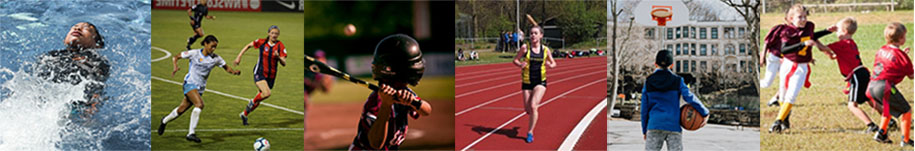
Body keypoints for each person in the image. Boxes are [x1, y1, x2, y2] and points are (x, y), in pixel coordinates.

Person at [348, 34, 432, 150]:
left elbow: (427, 111)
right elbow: (376, 144)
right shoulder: (376, 101)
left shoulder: (404, 92)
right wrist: (386, 105)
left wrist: (413, 102)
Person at [158, 35, 242, 143]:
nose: (213, 49)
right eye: (212, 46)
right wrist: (175, 66)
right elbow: (176, 56)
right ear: (206, 44)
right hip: (189, 84)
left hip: (200, 88)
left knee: (181, 110)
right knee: (200, 105)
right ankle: (191, 133)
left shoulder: (216, 58)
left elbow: (226, 67)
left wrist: (234, 72)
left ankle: (164, 121)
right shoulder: (194, 53)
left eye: (215, 47)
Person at [768, 4, 835, 133]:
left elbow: (811, 36)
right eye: (800, 17)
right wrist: (802, 44)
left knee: (792, 95)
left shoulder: (809, 26)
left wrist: (827, 31)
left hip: (802, 66)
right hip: (789, 64)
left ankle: (777, 122)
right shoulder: (787, 31)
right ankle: (784, 119)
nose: (804, 19)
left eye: (805, 16)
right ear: (791, 18)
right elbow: (784, 49)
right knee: (783, 96)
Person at [815, 17, 883, 133]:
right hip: (863, 73)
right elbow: (838, 55)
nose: (836, 33)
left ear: (845, 32)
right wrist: (831, 55)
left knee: (852, 105)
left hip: (856, 75)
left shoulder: (842, 44)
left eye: (838, 30)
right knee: (868, 99)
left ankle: (871, 126)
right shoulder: (850, 43)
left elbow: (822, 48)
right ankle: (889, 120)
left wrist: (814, 39)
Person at [36, 22, 110, 117]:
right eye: (74, 27)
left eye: (86, 28)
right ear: (64, 40)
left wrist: (93, 107)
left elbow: (98, 86)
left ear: (97, 44)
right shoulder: (50, 56)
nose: (77, 29)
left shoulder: (97, 61)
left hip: (75, 107)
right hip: (46, 100)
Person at [641, 50, 709, 151]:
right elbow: (689, 97)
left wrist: (644, 129)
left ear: (655, 64)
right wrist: (705, 112)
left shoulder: (649, 81)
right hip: (673, 125)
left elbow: (644, 109)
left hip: (654, 124)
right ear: (672, 65)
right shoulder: (677, 80)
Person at [866, 22, 913, 146]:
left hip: (871, 86)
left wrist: (903, 56)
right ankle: (906, 140)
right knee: (906, 110)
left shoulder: (882, 49)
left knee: (887, 110)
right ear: (902, 38)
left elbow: (890, 61)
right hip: (884, 86)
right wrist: (906, 59)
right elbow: (911, 76)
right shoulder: (901, 56)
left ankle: (881, 134)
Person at [234, 25, 288, 126]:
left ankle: (244, 114)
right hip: (260, 72)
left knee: (261, 96)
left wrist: (278, 57)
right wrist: (239, 57)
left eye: (276, 33)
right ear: (268, 33)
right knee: (266, 93)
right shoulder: (262, 42)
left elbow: (284, 63)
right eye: (272, 33)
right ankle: (252, 101)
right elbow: (248, 46)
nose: (274, 35)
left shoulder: (280, 46)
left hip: (271, 75)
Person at [512, 25, 555, 143]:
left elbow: (553, 63)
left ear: (541, 35)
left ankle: (530, 132)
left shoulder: (545, 50)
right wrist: (520, 64)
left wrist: (550, 65)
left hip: (540, 81)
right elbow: (515, 60)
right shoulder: (525, 48)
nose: (533, 35)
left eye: (536, 33)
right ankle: (530, 118)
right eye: (531, 33)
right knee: (527, 110)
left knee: (533, 105)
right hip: (526, 82)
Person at [303, 49, 333, 145]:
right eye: (317, 58)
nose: (319, 59)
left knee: (305, 106)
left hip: (307, 91)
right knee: (304, 102)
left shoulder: (324, 72)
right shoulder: (308, 67)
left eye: (321, 58)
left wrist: (326, 76)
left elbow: (326, 90)